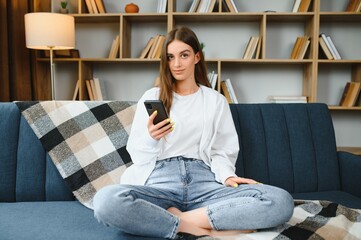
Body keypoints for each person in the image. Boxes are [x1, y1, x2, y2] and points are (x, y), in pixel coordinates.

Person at [93, 26, 294, 239]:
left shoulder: (215, 100)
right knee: (106, 201)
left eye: (184, 55)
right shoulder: (153, 96)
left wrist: (227, 176)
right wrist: (151, 138)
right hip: (160, 182)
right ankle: (205, 230)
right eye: (170, 57)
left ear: (197, 57)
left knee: (280, 201)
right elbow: (137, 155)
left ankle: (178, 220)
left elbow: (222, 150)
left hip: (205, 184)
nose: (177, 64)